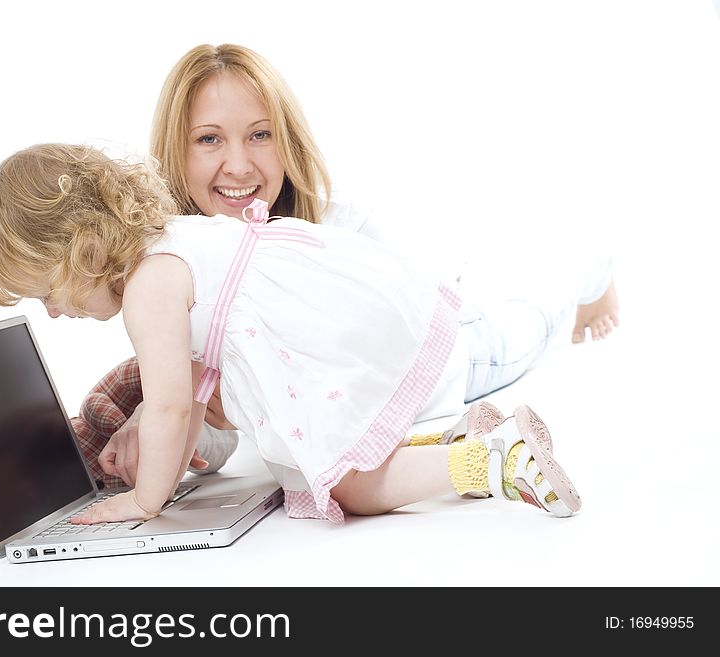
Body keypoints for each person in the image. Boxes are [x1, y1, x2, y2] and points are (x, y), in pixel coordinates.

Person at [72, 43, 620, 488]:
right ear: (175, 152)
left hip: (451, 350)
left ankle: (587, 275)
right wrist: (157, 430)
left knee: (533, 323)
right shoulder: (182, 274)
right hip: (381, 396)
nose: (238, 164)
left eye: (260, 135)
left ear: (286, 141)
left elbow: (419, 321)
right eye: (209, 140)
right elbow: (214, 439)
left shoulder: (334, 230)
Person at [0, 142, 584, 522]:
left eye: (46, 292)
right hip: (347, 322)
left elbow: (167, 405)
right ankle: (454, 442)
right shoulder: (170, 243)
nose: (52, 312)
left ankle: (487, 463)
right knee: (347, 461)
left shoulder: (148, 290)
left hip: (329, 340)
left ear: (82, 247)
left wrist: (144, 503)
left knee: (348, 489)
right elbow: (187, 408)